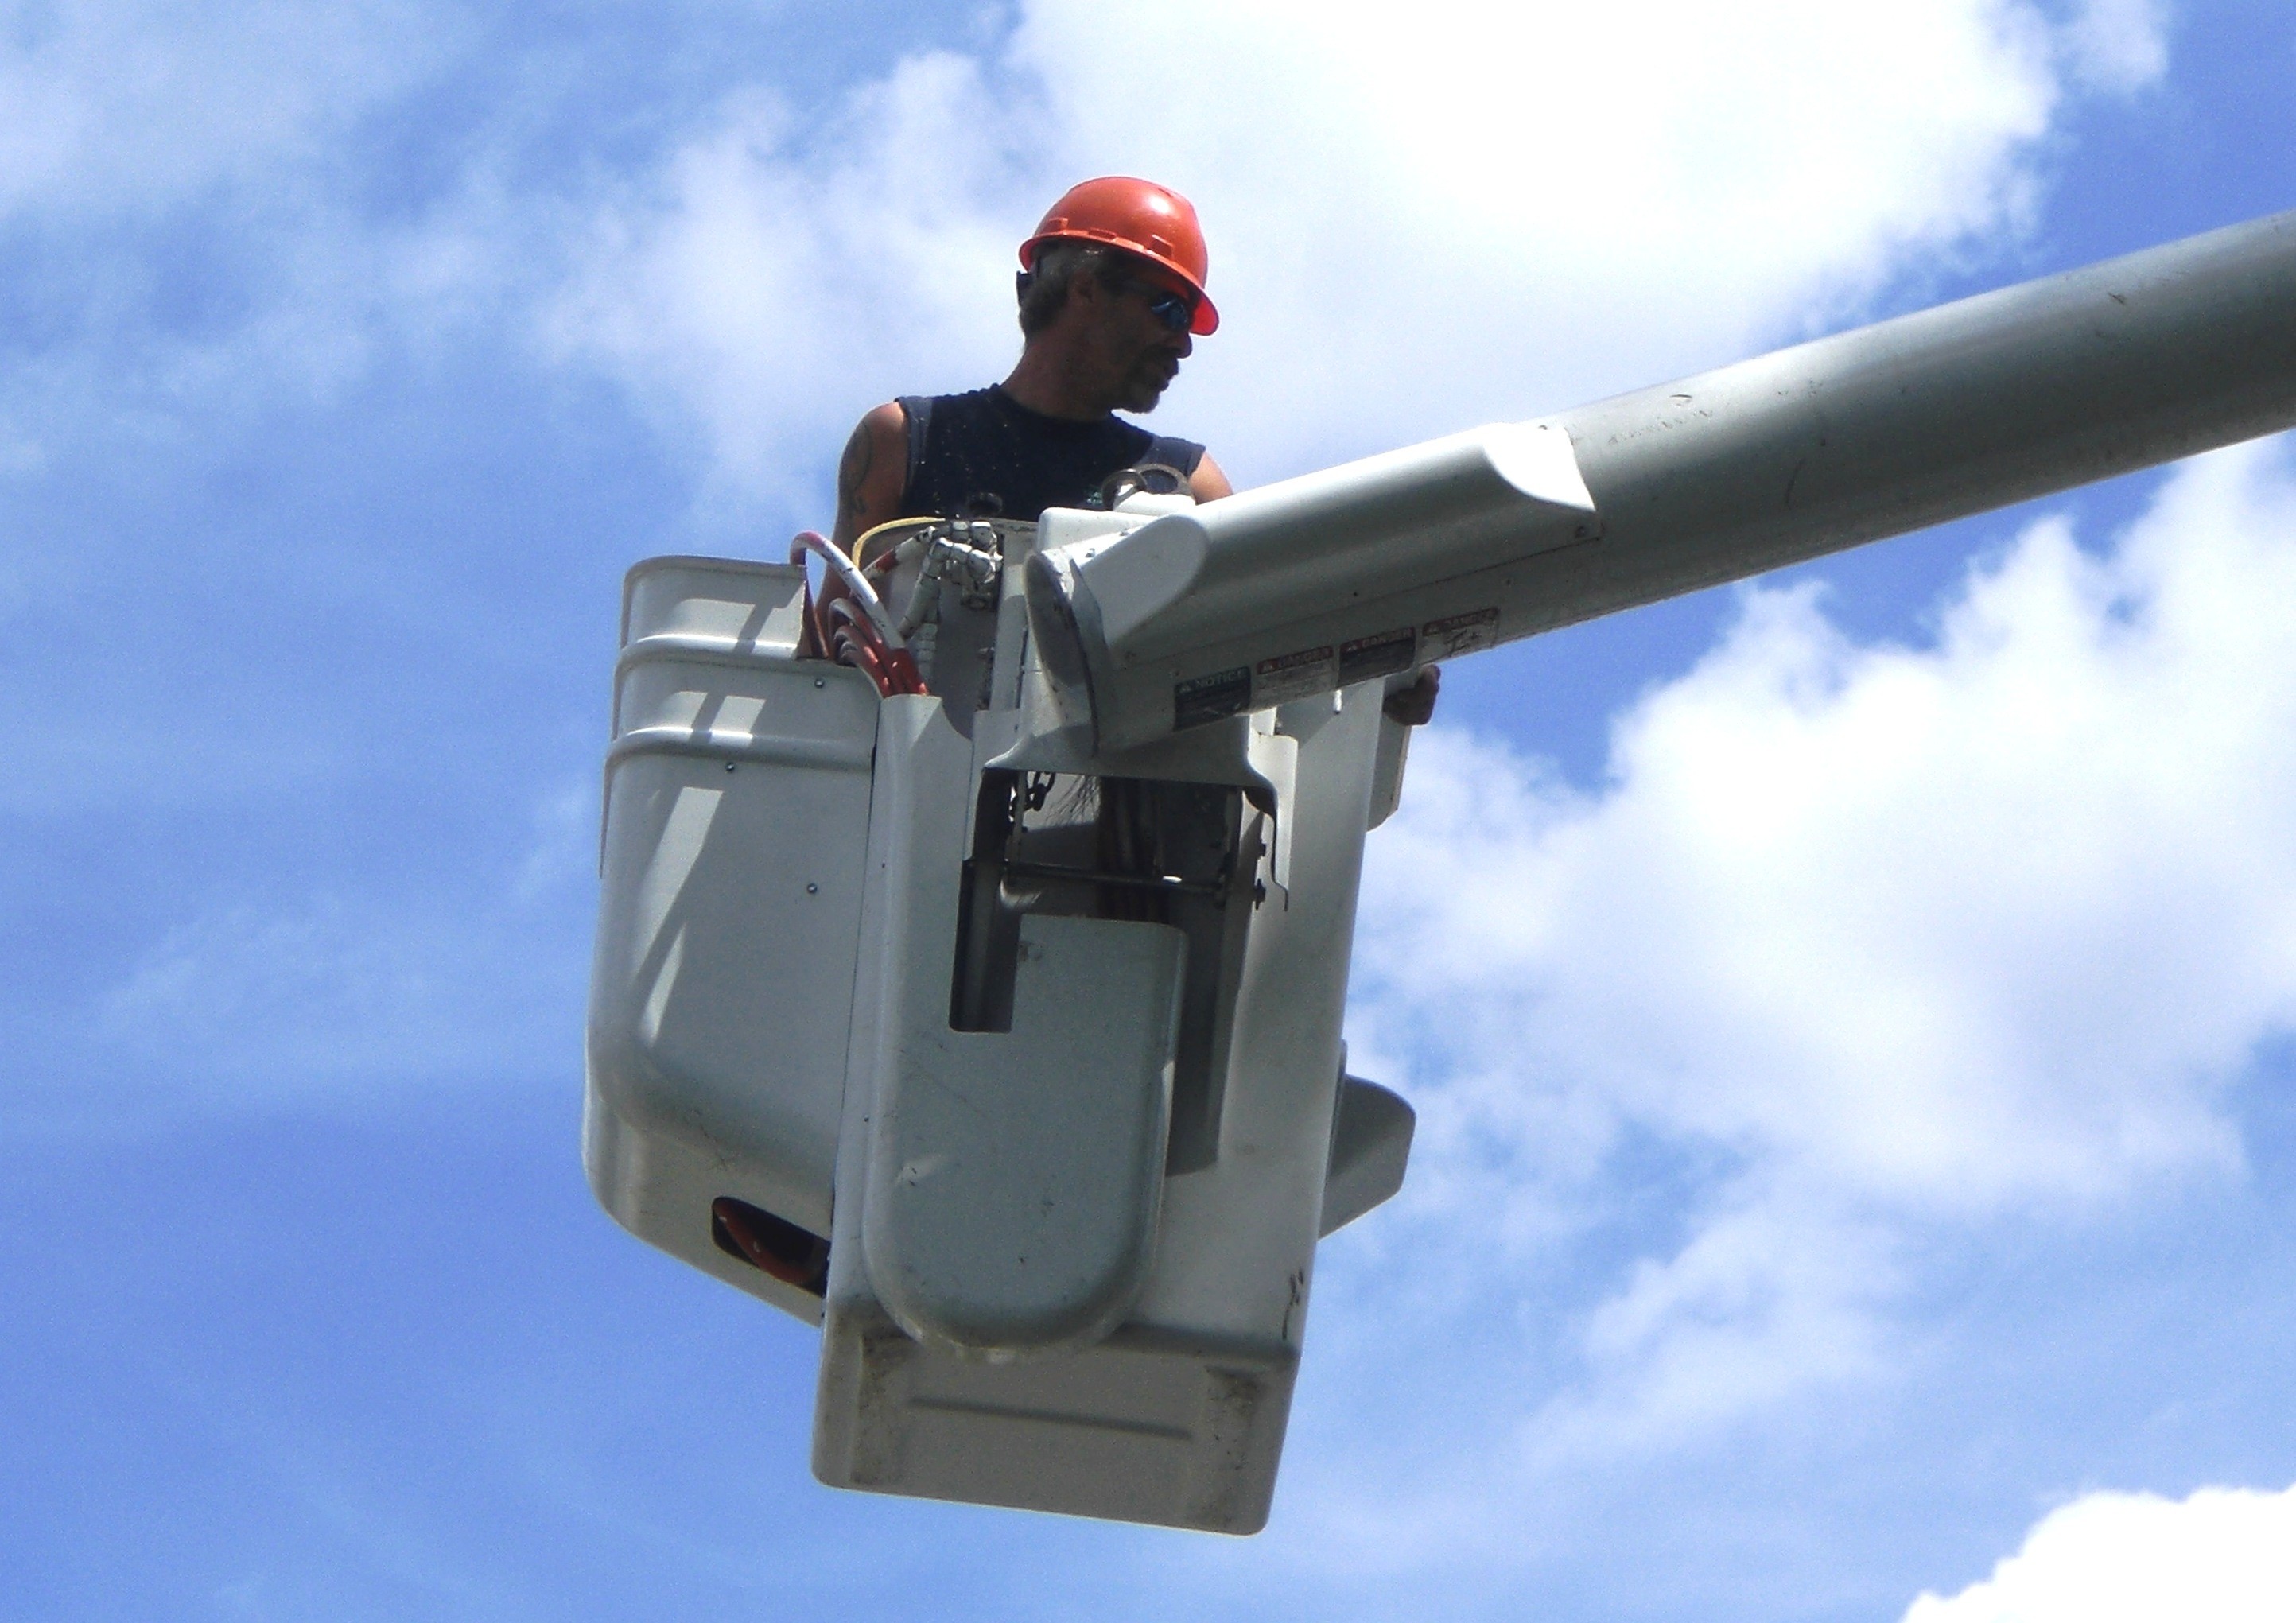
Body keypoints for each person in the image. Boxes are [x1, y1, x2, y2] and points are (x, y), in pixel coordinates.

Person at [827, 174, 1436, 725]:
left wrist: (1377, 686)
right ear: (1087, 289)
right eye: (1168, 309)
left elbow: (1261, 643)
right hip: (915, 779)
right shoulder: (908, 440)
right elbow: (822, 650)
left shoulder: (1183, 482)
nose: (1182, 344)